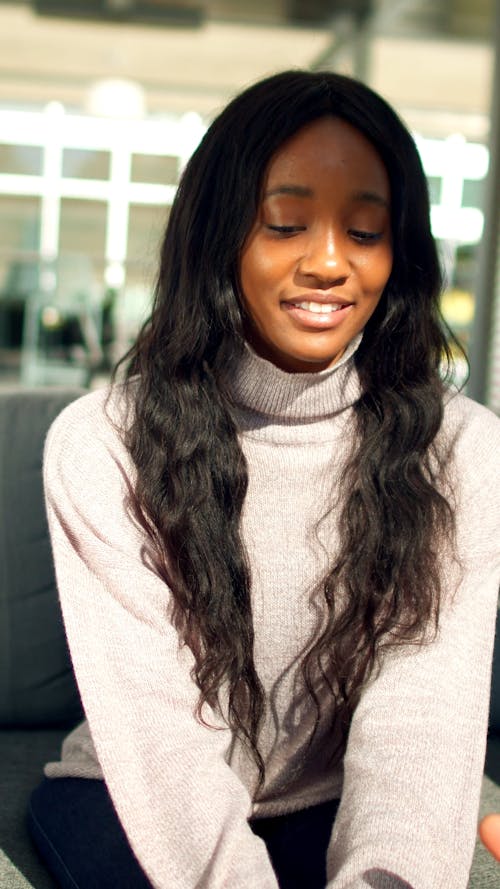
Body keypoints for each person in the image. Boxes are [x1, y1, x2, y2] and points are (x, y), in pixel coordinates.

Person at [27, 70, 499, 889]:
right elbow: (163, 734)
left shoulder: (462, 449)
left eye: (364, 232)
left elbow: (420, 706)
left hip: (332, 796)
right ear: (220, 236)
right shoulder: (103, 443)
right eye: (286, 223)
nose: (328, 263)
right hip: (132, 792)